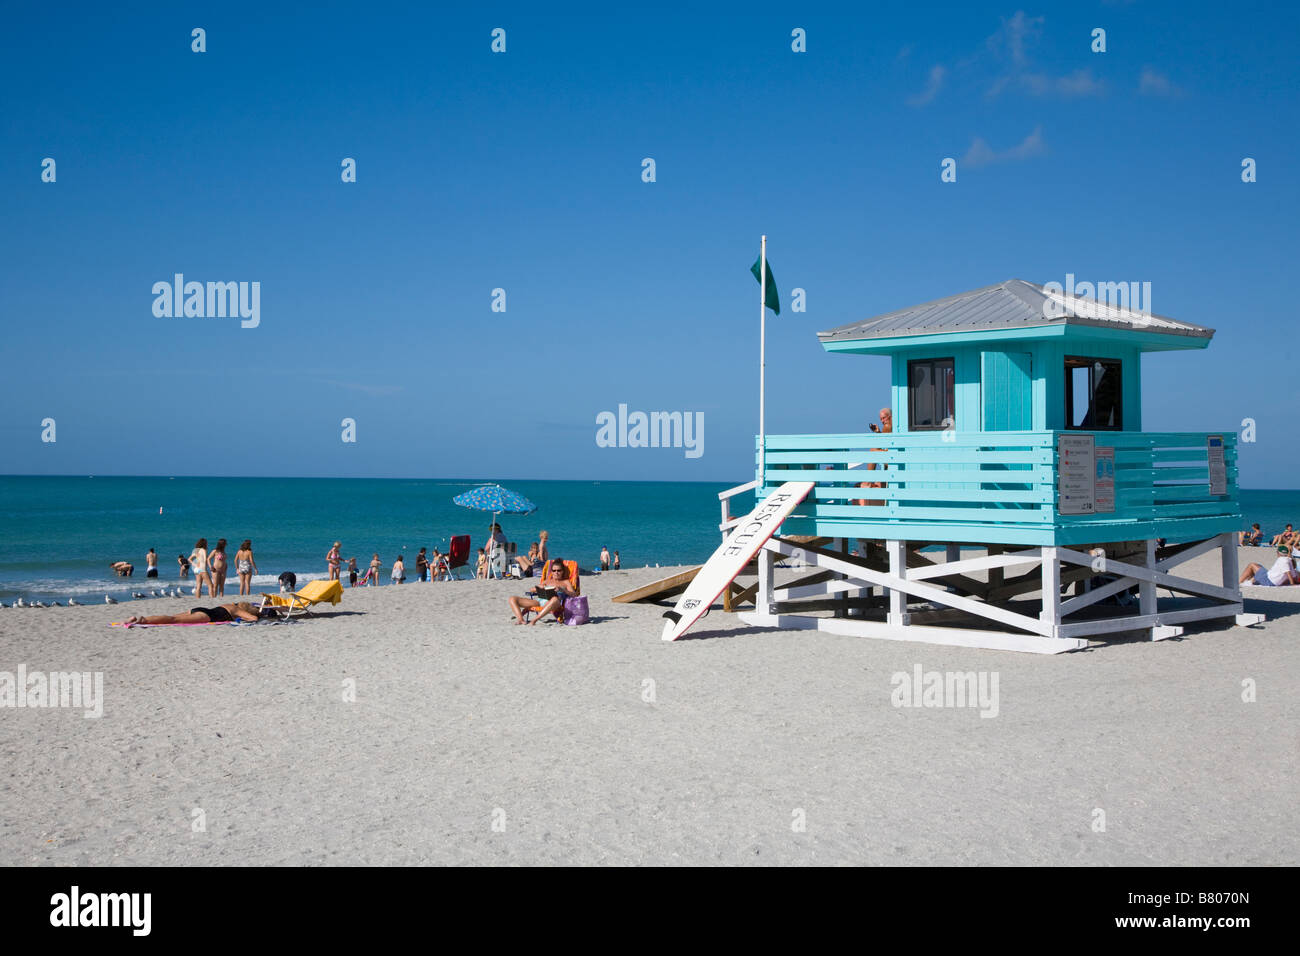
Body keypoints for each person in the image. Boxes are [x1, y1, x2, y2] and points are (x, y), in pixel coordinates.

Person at [508, 559, 578, 625]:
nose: (556, 572)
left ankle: (534, 620)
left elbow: (574, 595)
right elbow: (531, 590)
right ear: (552, 571)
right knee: (512, 599)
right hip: (539, 602)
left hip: (555, 604)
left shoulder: (566, 582)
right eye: (554, 570)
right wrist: (539, 587)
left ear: (562, 571)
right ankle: (521, 619)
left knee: (554, 599)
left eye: (558, 570)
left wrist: (563, 590)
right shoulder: (547, 581)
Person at [853, 407, 893, 506]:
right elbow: (885, 443)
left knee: (873, 450)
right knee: (874, 450)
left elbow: (882, 444)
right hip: (892, 458)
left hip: (892, 459)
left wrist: (879, 433)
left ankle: (869, 478)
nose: (883, 421)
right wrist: (878, 432)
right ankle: (870, 479)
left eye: (884, 418)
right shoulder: (896, 426)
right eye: (881, 419)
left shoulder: (888, 426)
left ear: (890, 417)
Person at [123, 601, 262, 627]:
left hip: (201, 609)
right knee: (173, 620)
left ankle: (145, 619)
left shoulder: (231, 605)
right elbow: (254, 618)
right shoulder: (237, 610)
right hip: (208, 616)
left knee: (172, 616)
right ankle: (143, 621)